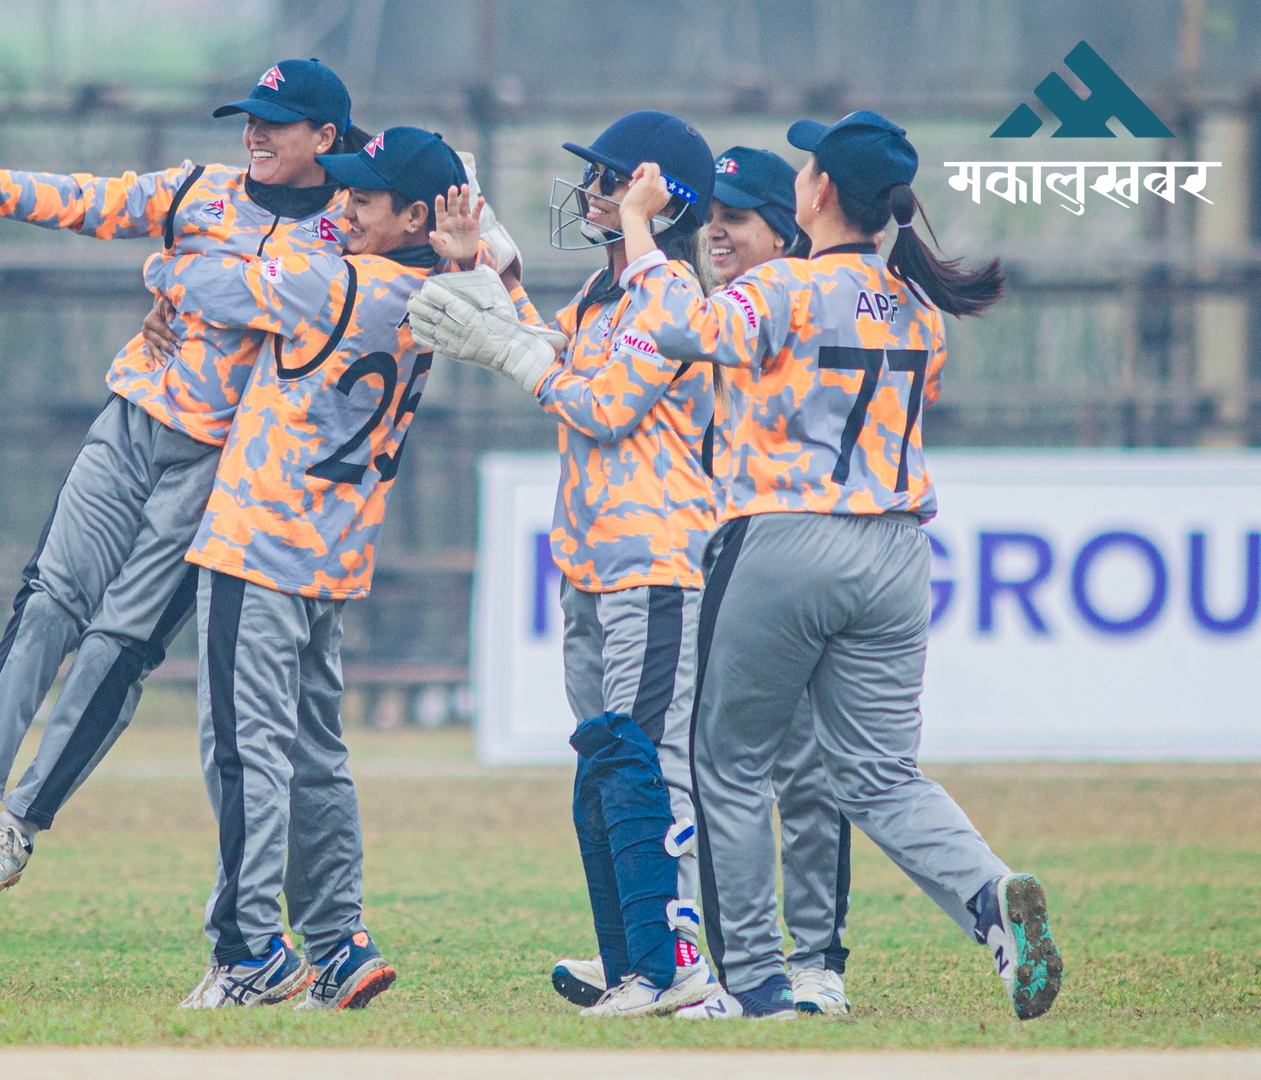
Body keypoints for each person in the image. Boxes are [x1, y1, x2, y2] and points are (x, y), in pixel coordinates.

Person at [607, 110, 1063, 1021]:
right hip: (894, 552)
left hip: (781, 537)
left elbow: (683, 331)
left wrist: (638, 234)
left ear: (816, 193)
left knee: (728, 767)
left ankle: (758, 985)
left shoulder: (785, 288)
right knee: (881, 772)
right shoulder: (921, 310)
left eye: (808, 167)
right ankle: (988, 896)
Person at [0, 60, 364, 894]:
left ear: (325, 137)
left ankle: (19, 827)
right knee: (49, 602)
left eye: (277, 122)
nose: (254, 133)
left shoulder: (348, 226)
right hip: (131, 419)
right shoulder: (199, 190)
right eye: (249, 118)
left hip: (225, 468)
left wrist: (169, 276)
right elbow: (96, 200)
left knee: (118, 646)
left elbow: (302, 288)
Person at [148, 127, 469, 1009]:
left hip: (258, 545)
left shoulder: (336, 280)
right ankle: (337, 943)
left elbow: (208, 281)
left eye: (365, 198)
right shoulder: (444, 291)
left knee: (244, 755)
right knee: (316, 756)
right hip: (332, 553)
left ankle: (251, 950)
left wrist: (165, 265)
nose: (345, 206)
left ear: (416, 214)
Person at [408, 111, 720, 1018]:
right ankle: (638, 954)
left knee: (653, 765)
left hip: (656, 557)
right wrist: (477, 267)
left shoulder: (670, 296)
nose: (589, 194)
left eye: (609, 181)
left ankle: (679, 966)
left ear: (653, 200)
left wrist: (511, 349)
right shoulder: (603, 294)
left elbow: (606, 407)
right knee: (609, 764)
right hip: (594, 560)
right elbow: (555, 352)